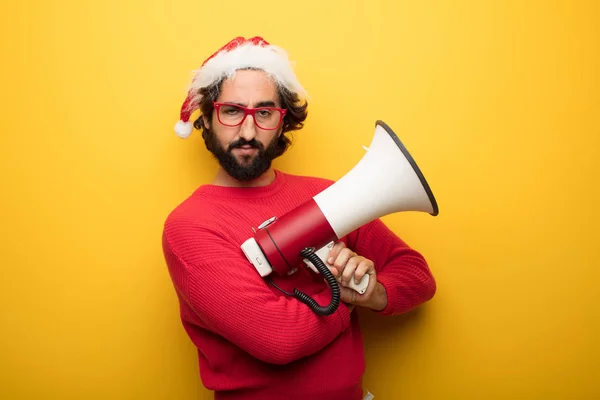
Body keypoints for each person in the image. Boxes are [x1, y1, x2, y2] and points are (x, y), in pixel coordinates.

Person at [162, 36, 437, 400]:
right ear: (208, 118)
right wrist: (347, 294)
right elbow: (278, 339)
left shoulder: (329, 197)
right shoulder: (190, 226)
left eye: (264, 113)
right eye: (232, 111)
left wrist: (374, 292)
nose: (247, 132)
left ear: (283, 121)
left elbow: (416, 275)